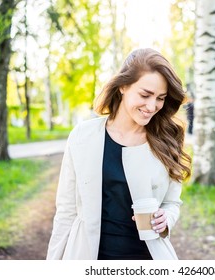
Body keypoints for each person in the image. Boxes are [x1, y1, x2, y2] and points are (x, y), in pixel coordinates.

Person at [46, 48, 192, 260]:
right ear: (123, 86)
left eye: (160, 98)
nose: (152, 106)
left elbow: (171, 203)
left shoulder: (168, 140)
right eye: (145, 95)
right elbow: (66, 211)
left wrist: (166, 218)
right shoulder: (83, 136)